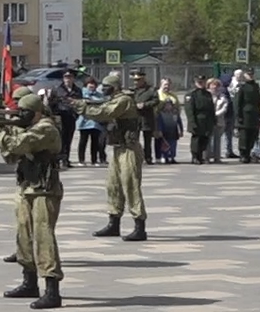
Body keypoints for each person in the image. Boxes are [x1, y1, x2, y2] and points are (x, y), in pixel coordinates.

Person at [0, 93, 63, 310]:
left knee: (43, 237)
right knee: (24, 235)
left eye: (24, 113)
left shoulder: (46, 127)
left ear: (36, 113)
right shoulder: (30, 126)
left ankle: (52, 289)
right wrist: (5, 128)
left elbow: (17, 145)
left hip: (44, 190)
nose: (20, 117)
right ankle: (29, 281)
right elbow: (10, 155)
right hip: (27, 187)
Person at [74, 72, 147, 241]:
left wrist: (81, 107)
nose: (103, 89)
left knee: (131, 185)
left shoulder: (123, 100)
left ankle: (139, 226)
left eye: (106, 87)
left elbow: (104, 112)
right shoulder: (114, 99)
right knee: (113, 185)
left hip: (129, 149)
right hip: (117, 148)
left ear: (114, 87)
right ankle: (114, 222)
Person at [235, 69, 260, 163]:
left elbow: (258, 102)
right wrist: (239, 116)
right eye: (248, 74)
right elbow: (238, 103)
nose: (250, 76)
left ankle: (248, 153)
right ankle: (243, 154)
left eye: (252, 74)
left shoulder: (256, 86)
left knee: (253, 135)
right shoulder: (242, 87)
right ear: (245, 75)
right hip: (244, 114)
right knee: (244, 136)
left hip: (254, 114)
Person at [185, 78, 216, 166]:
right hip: (197, 119)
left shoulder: (207, 94)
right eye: (199, 82)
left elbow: (211, 108)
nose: (201, 84)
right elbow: (189, 110)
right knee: (196, 140)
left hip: (207, 120)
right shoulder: (191, 94)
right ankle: (195, 157)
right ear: (195, 83)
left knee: (204, 139)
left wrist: (213, 120)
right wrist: (192, 122)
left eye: (202, 82)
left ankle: (200, 156)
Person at [75, 81, 105, 166]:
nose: (92, 86)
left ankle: (94, 160)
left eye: (93, 85)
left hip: (95, 122)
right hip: (84, 122)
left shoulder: (99, 95)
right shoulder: (81, 94)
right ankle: (81, 160)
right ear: (86, 85)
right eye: (90, 85)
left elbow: (102, 103)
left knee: (95, 142)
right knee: (83, 141)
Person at [154, 79, 183, 164]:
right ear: (161, 84)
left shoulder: (173, 96)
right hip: (160, 121)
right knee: (160, 142)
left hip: (172, 125)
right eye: (165, 84)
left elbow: (178, 109)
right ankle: (160, 157)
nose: (167, 86)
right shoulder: (157, 94)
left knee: (172, 144)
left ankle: (171, 157)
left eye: (168, 85)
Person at [213, 78, 234, 161]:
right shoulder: (223, 92)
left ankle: (220, 153)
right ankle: (214, 153)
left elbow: (226, 105)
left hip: (224, 116)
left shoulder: (223, 94)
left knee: (222, 136)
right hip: (218, 117)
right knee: (216, 137)